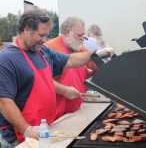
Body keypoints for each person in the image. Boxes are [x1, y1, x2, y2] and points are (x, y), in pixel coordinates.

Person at [0, 10, 114, 146]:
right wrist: (26, 129)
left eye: (46, 36)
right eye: (41, 35)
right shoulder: (7, 59)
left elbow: (71, 60)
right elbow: (4, 101)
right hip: (22, 135)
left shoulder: (43, 52)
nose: (44, 40)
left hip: (45, 127)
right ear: (26, 30)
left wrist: (96, 54)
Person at [44, 17, 93, 117]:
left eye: (84, 34)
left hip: (77, 110)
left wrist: (100, 57)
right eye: (79, 35)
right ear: (66, 33)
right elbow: (41, 79)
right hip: (57, 114)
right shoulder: (49, 48)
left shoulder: (80, 48)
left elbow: (88, 73)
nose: (83, 38)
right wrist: (64, 90)